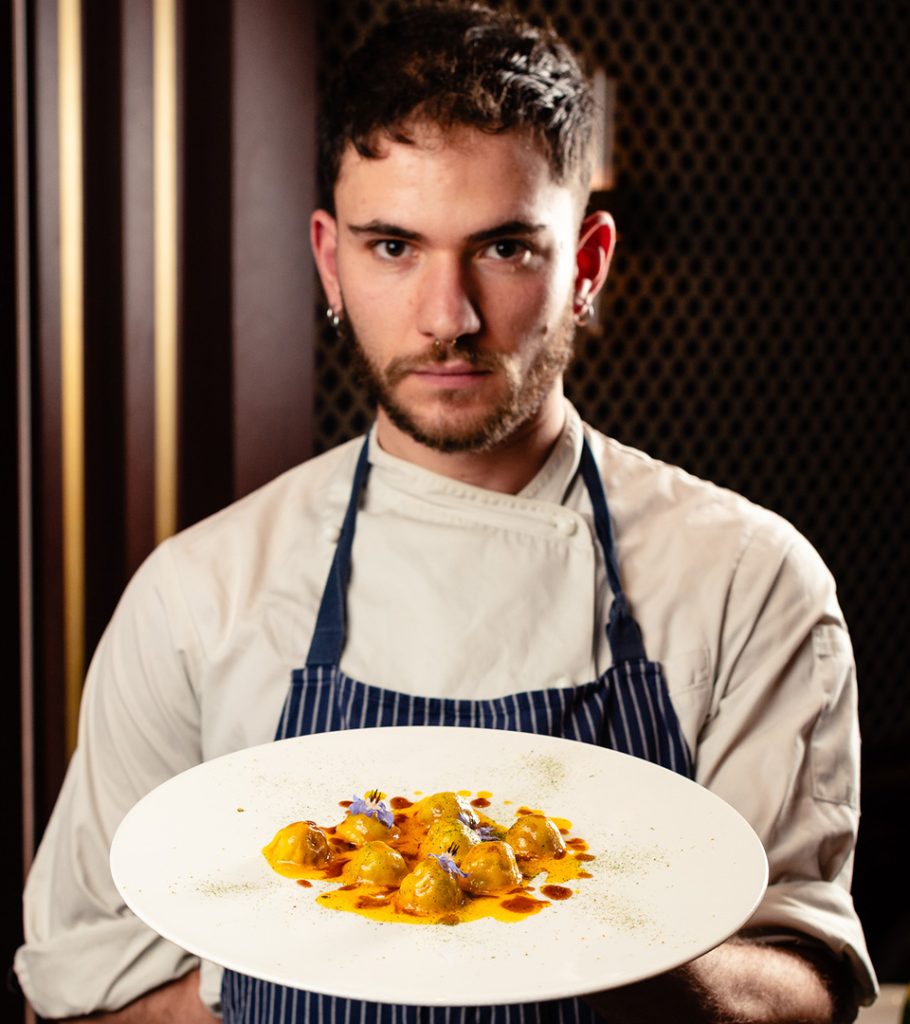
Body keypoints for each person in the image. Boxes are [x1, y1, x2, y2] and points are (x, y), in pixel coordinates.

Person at [16, 4, 877, 1022]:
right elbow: (75, 994)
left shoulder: (751, 580)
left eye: (506, 249)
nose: (447, 316)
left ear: (586, 265)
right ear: (330, 260)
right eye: (393, 246)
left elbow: (803, 979)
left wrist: (569, 930)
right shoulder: (195, 595)